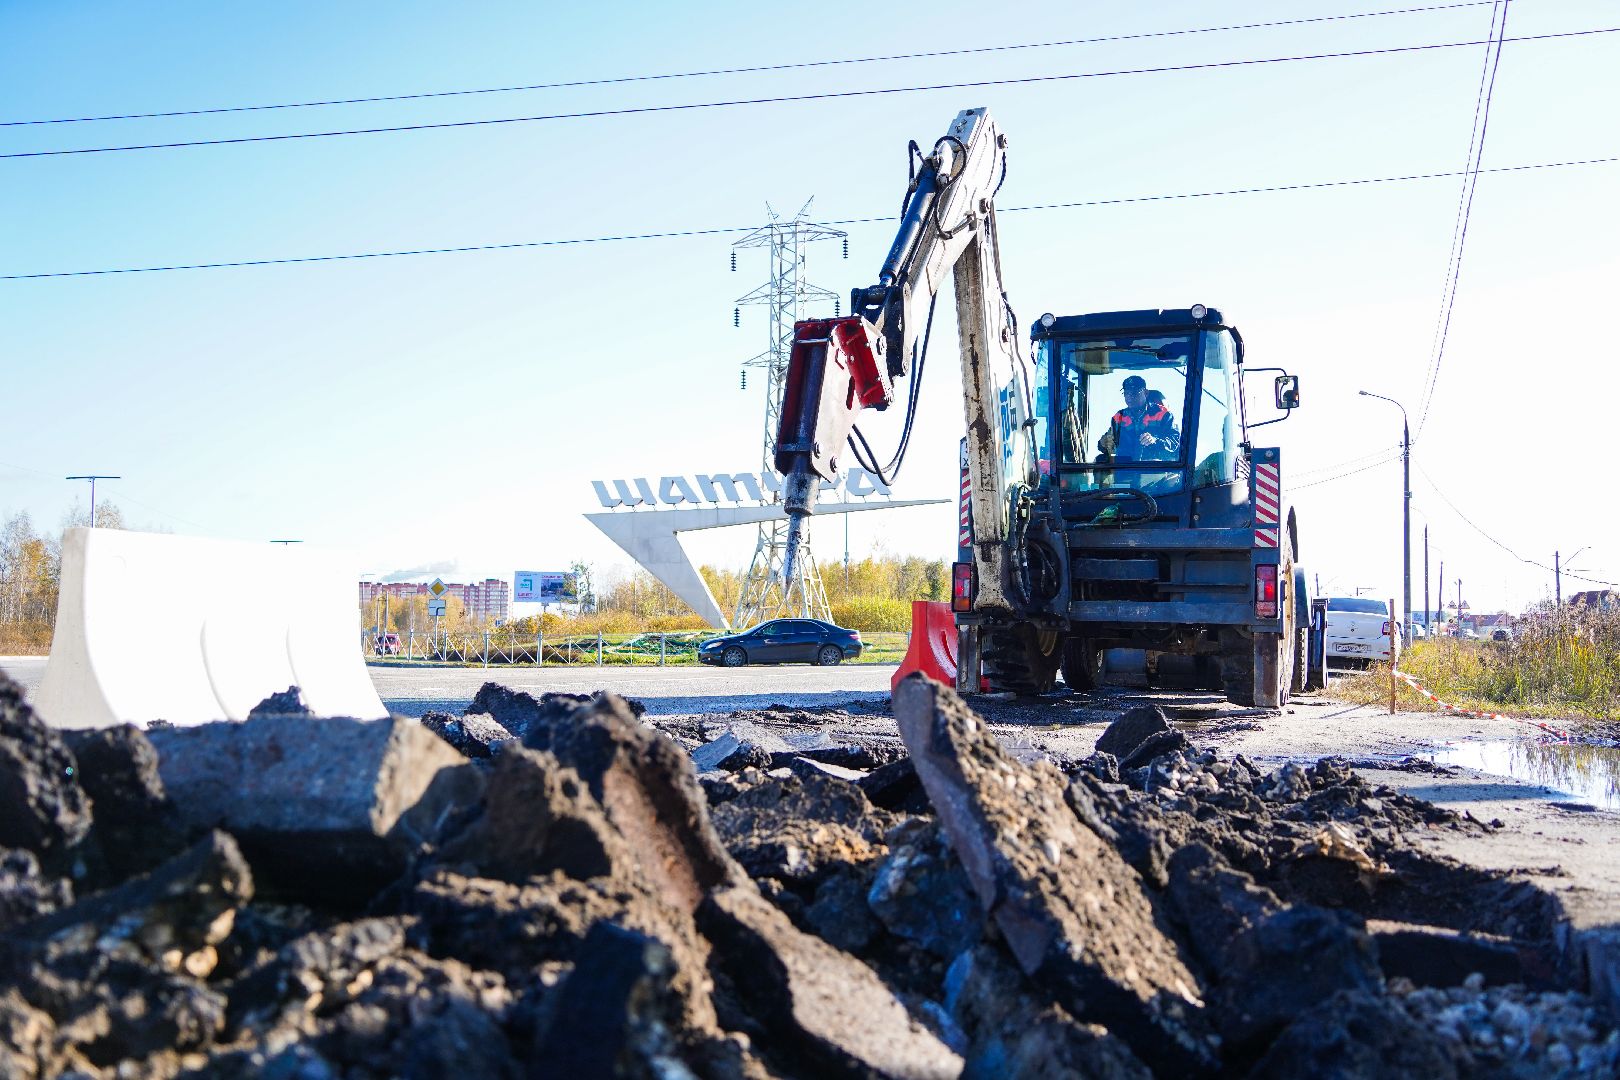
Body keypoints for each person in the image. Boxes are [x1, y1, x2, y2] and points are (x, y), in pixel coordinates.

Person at [1098, 374, 1180, 462]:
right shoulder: (1119, 417)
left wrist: (1155, 440)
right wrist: (1103, 443)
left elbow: (1174, 441)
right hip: (1125, 469)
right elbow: (1109, 443)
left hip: (1155, 469)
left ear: (1146, 393)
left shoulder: (1163, 414)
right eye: (1126, 393)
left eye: (1134, 393)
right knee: (1100, 460)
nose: (1129, 397)